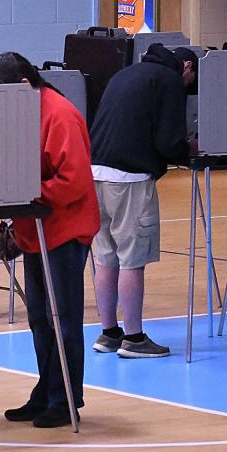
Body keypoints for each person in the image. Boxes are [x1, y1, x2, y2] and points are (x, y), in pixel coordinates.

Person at [0, 52, 100, 428]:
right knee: (39, 318)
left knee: (62, 319)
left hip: (64, 230)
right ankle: (46, 391)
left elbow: (75, 181)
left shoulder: (59, 114)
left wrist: (26, 191)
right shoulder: (22, 113)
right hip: (36, 229)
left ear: (22, 86)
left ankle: (65, 397)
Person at [89, 44, 197, 359]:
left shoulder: (126, 74)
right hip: (130, 179)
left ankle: (109, 333)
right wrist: (189, 147)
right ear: (186, 67)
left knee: (105, 257)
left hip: (94, 173)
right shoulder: (170, 80)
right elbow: (169, 142)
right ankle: (134, 339)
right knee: (132, 259)